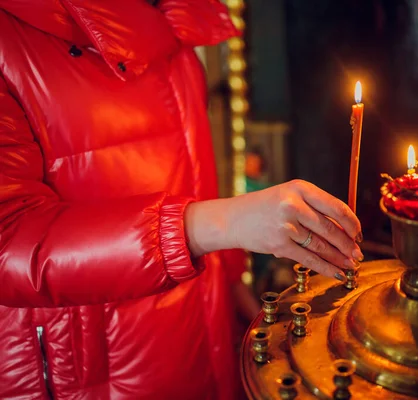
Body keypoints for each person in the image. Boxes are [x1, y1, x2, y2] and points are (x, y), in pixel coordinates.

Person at [0, 1, 363, 399]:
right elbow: (8, 238)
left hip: (193, 326)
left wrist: (224, 279)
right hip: (89, 368)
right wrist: (222, 224)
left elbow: (186, 169)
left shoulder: (167, 13)